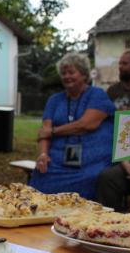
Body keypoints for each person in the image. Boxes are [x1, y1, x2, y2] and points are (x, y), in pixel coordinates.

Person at [30, 53, 116, 200]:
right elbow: (44, 133)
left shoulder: (97, 95)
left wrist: (54, 131)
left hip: (92, 162)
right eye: (63, 73)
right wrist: (43, 154)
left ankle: (82, 220)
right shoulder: (54, 100)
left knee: (91, 178)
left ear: (83, 74)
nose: (66, 76)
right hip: (58, 161)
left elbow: (87, 124)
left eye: (71, 72)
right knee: (41, 174)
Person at [96, 50, 130, 211]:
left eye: (124, 63)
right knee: (107, 177)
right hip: (120, 152)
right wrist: (125, 161)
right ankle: (113, 222)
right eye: (119, 63)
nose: (120, 67)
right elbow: (107, 127)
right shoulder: (112, 92)